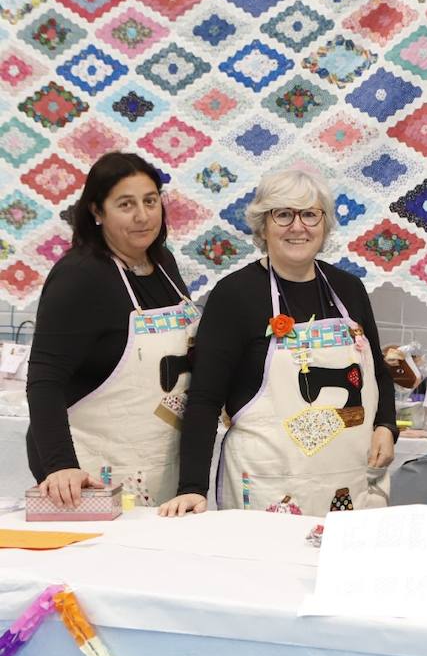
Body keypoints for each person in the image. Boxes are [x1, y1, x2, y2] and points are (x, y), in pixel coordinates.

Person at [159, 170, 396, 517]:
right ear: (263, 225)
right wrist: (192, 487)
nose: (298, 227)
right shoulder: (236, 295)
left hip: (349, 485)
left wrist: (386, 425)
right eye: (283, 214)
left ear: (325, 223)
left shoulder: (348, 289)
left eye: (310, 214)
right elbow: (206, 399)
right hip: (268, 488)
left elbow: (378, 372)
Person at [26, 152, 197, 507]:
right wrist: (61, 466)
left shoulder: (163, 263)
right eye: (125, 204)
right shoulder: (81, 275)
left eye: (150, 201)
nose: (142, 216)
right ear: (97, 212)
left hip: (155, 459)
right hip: (90, 467)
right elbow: (44, 378)